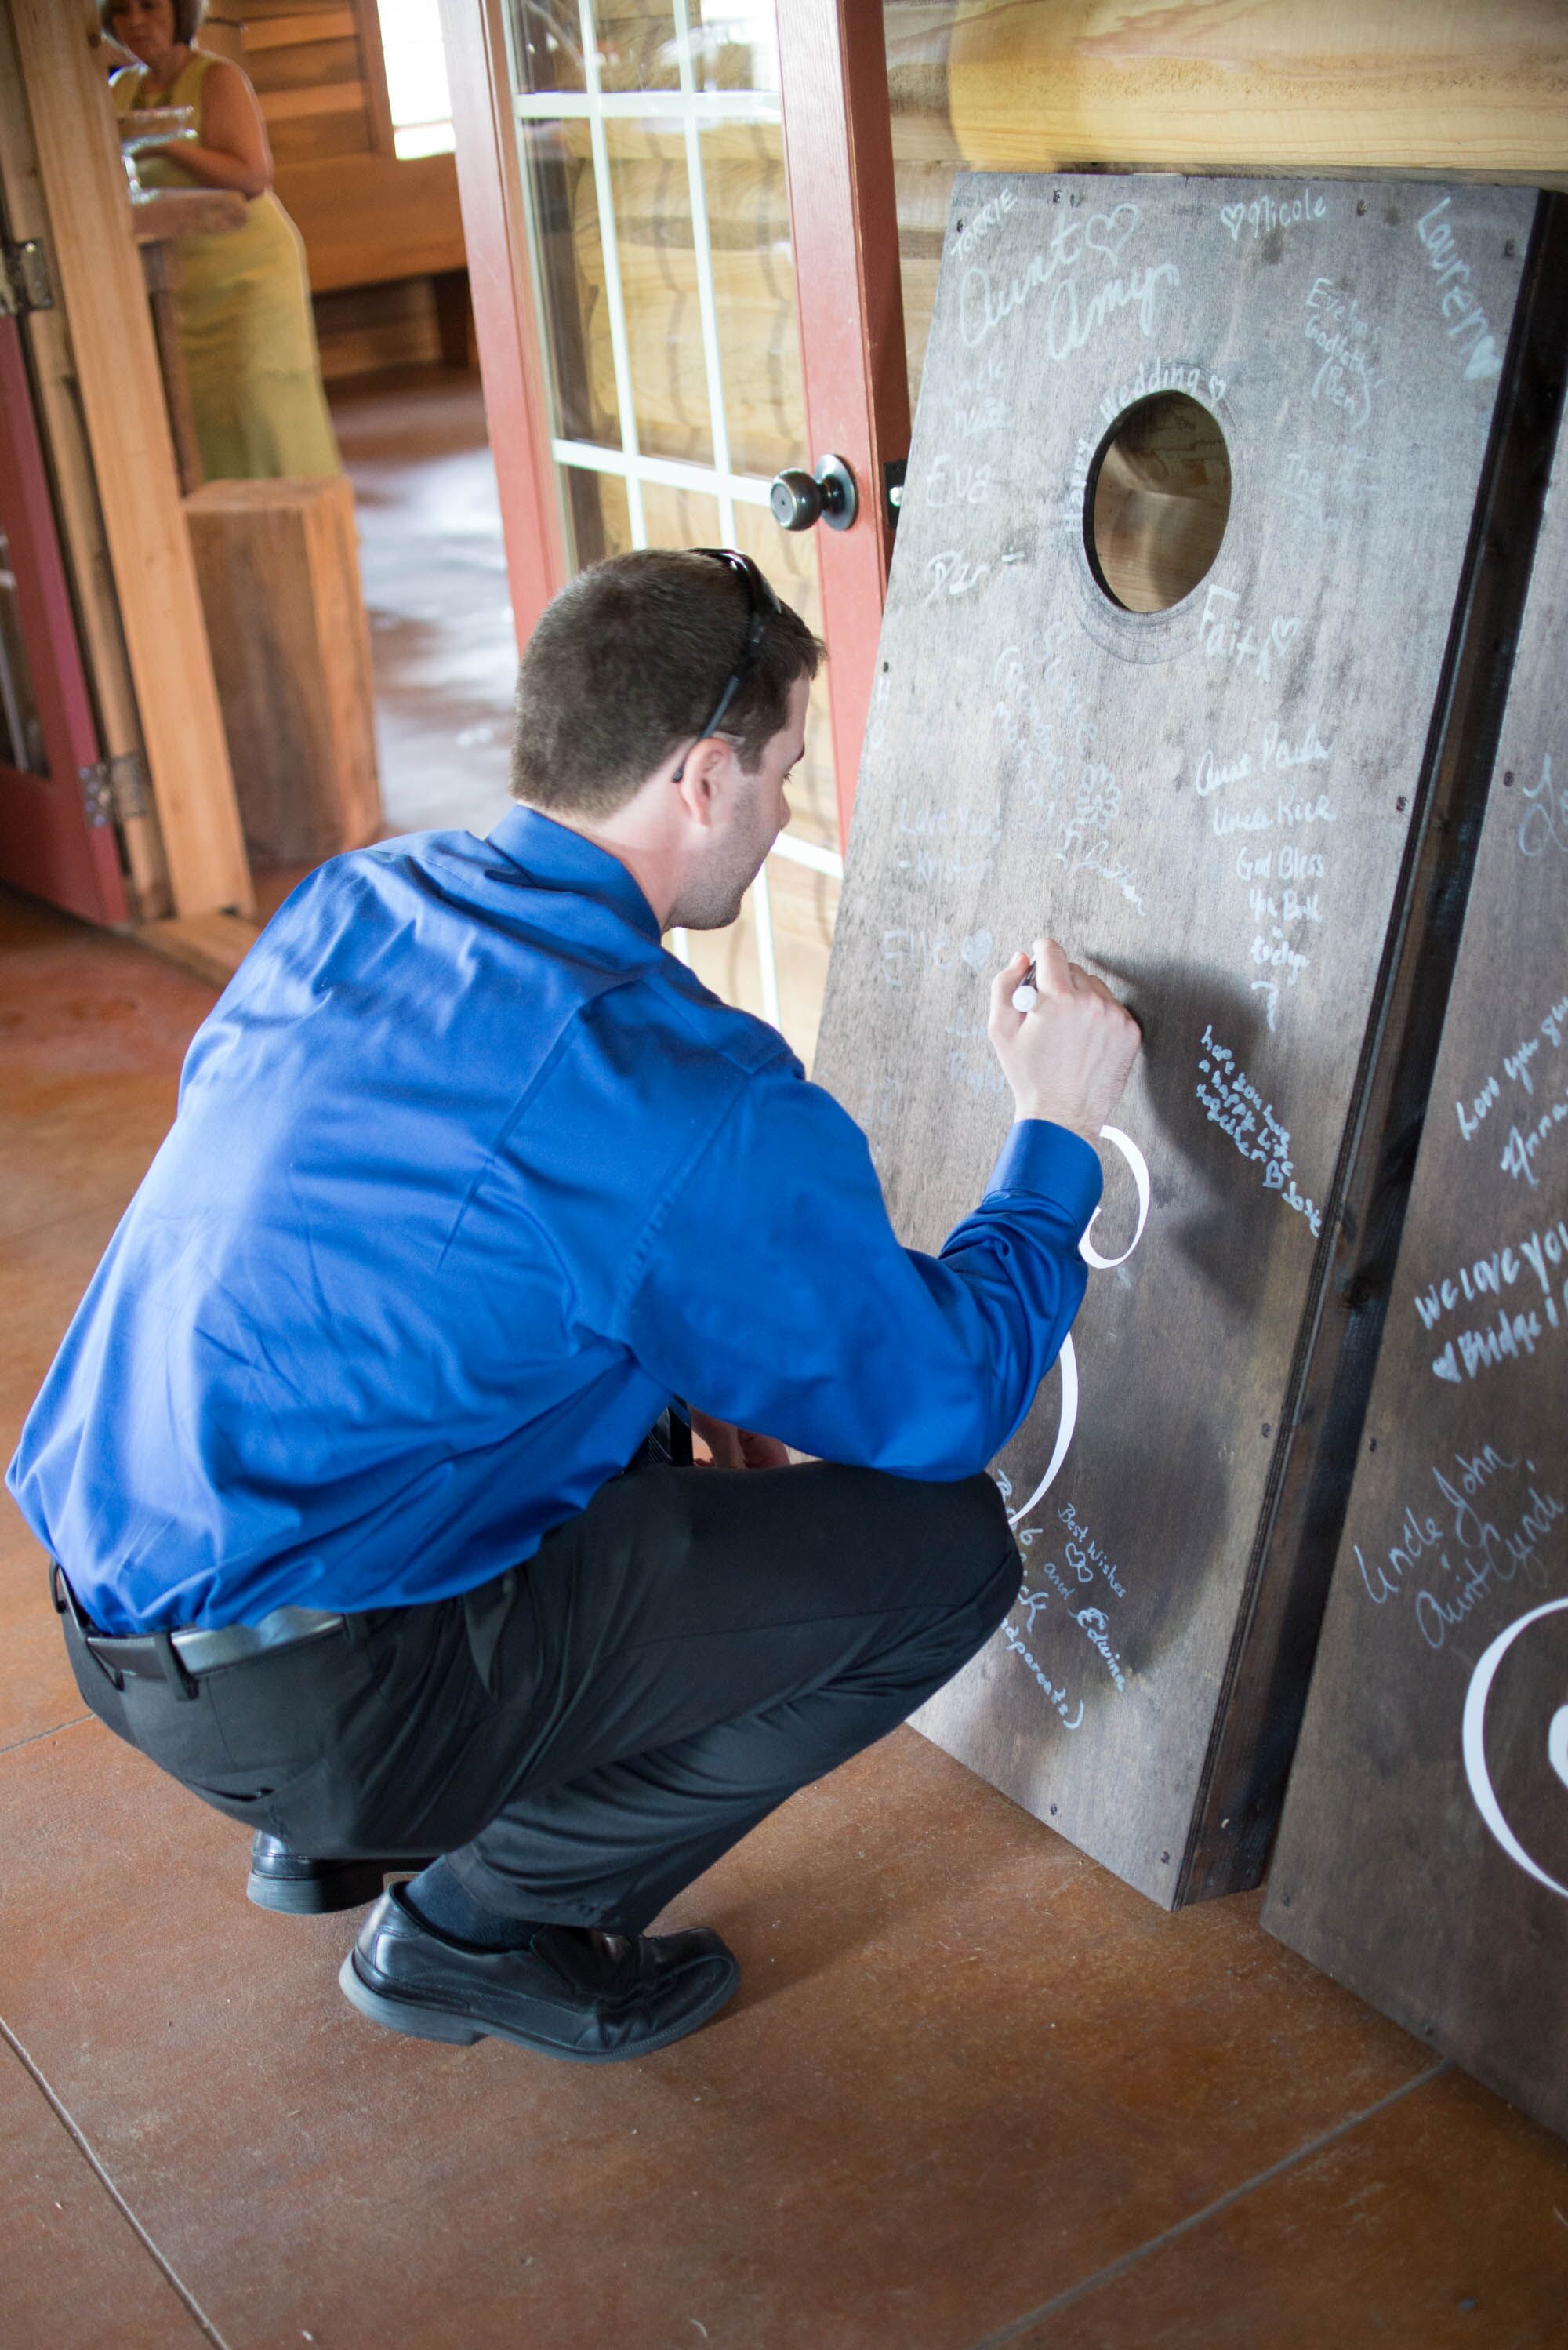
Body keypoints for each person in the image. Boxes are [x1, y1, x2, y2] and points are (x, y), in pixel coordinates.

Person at [8, 548, 1140, 2065]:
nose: (790, 810)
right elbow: (947, 1401)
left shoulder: (360, 901)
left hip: (109, 1596)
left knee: (634, 1412)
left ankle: (332, 1817)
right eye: (788, 769)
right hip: (320, 1690)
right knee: (942, 1557)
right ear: (701, 776)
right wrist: (1056, 1133)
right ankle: (474, 1924)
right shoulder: (672, 1085)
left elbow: (387, 1250)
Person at [103, 0, 340, 481]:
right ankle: (236, 533)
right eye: (122, 10)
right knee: (201, 411)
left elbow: (252, 176)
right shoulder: (120, 88)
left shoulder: (217, 77)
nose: (136, 21)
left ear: (180, 11)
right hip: (177, 276)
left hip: (249, 268)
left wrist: (167, 144)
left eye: (149, 6)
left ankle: (299, 522)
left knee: (260, 401)